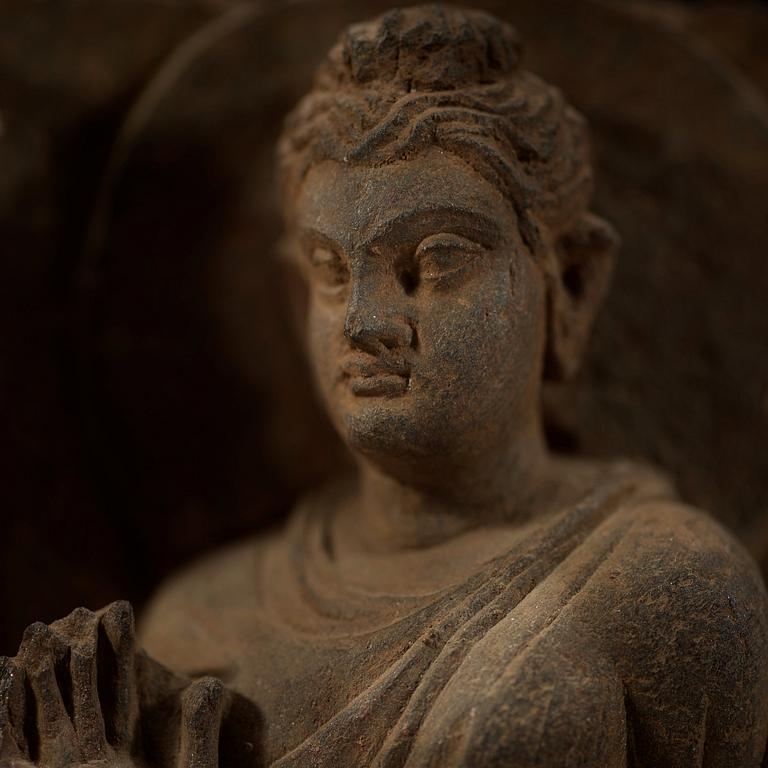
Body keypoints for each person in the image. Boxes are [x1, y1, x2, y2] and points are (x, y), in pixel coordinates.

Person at [3, 6, 767, 767]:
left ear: (569, 283)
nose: (366, 320)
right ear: (296, 295)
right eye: (333, 273)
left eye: (435, 261)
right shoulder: (201, 621)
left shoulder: (669, 580)